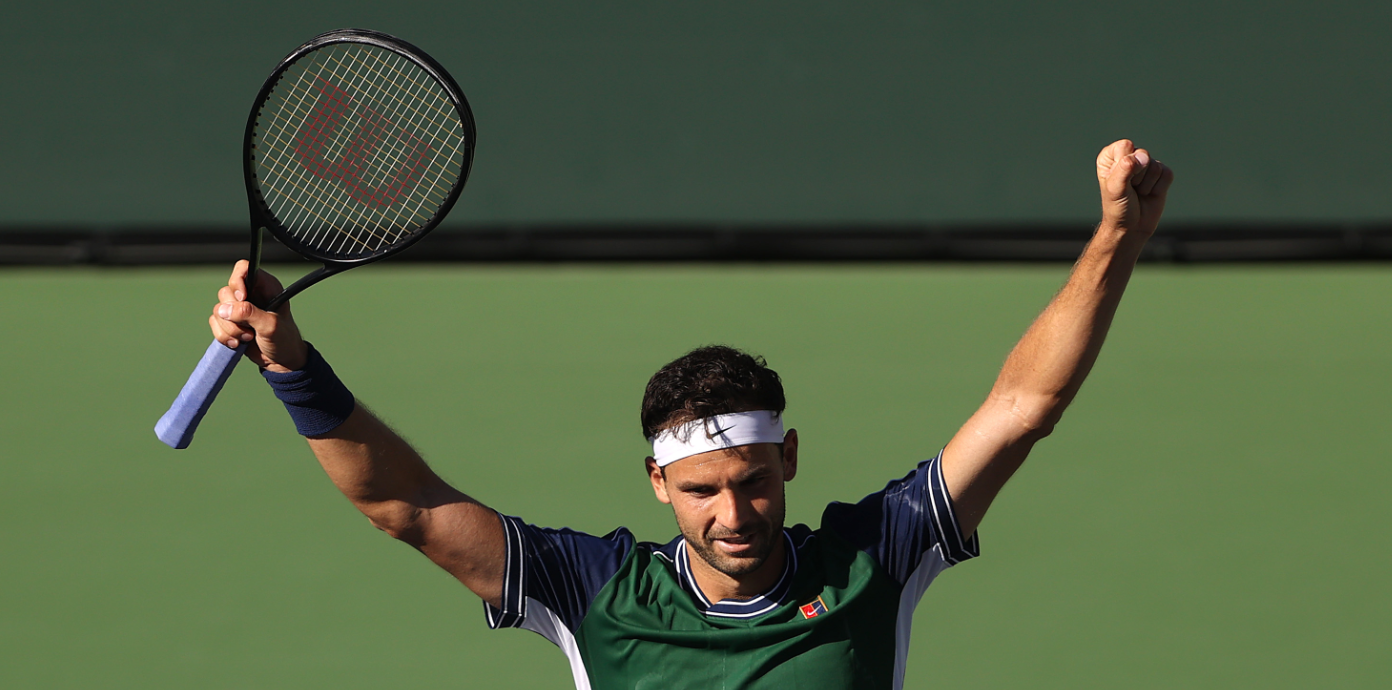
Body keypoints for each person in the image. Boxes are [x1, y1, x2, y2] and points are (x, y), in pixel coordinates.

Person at [206, 139, 1173, 689]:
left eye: (752, 482)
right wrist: (292, 365)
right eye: (703, 490)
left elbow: (1021, 407)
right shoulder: (594, 593)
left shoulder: (873, 560)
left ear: (789, 459)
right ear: (658, 483)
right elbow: (404, 504)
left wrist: (1118, 237)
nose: (733, 513)